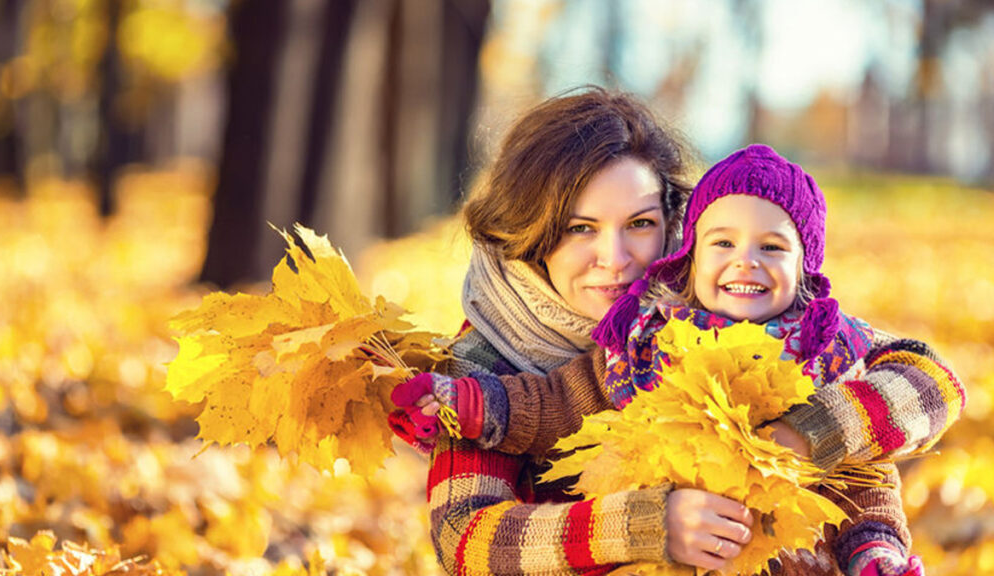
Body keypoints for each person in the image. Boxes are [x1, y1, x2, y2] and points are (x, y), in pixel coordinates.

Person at [391, 93, 963, 575]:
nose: (615, 261)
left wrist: (806, 434)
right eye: (579, 229)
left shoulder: (703, 299)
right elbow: (466, 539)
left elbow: (930, 380)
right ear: (534, 230)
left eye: (639, 224)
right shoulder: (490, 349)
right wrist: (646, 525)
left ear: (672, 220)